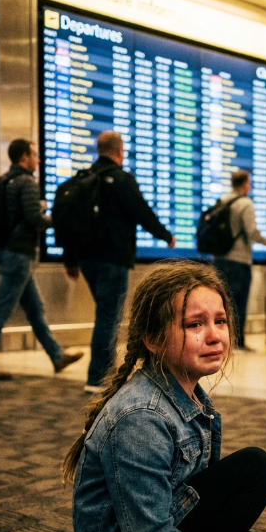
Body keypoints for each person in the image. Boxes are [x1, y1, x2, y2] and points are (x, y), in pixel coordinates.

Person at [64, 260, 266, 532]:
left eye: (220, 321)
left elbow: (203, 493)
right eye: (195, 324)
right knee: (255, 468)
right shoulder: (141, 417)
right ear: (153, 338)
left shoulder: (193, 398)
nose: (214, 336)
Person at [63, 131, 176, 393]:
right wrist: (165, 235)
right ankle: (98, 378)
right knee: (108, 315)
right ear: (119, 151)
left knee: (105, 312)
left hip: (86, 259)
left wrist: (70, 258)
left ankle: (104, 372)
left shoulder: (82, 180)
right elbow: (141, 211)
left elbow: (68, 222)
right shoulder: (122, 180)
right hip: (112, 258)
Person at [0, 139, 83, 380]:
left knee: (35, 309)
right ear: (24, 157)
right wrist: (56, 218)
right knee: (1, 309)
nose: (38, 159)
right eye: (34, 154)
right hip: (18, 254)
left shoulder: (3, 181)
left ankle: (56, 356)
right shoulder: (27, 182)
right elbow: (35, 219)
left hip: (2, 251)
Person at [213, 170, 266, 351]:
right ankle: (238, 342)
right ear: (245, 184)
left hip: (218, 260)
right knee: (238, 302)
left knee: (222, 302)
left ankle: (222, 340)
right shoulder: (245, 203)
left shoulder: (222, 201)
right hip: (239, 261)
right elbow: (252, 232)